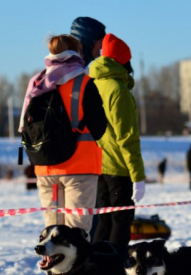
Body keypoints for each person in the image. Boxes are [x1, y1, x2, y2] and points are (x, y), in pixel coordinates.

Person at [21, 34, 107, 233]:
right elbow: (99, 127)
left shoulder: (37, 83)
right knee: (76, 235)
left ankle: (52, 264)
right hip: (80, 169)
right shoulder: (84, 83)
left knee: (52, 234)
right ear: (77, 53)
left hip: (45, 168)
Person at [89, 33, 146, 257]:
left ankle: (95, 269)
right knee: (120, 223)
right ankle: (113, 270)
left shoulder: (93, 84)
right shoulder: (117, 90)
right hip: (118, 169)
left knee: (103, 223)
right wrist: (138, 176)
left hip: (97, 165)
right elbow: (127, 137)